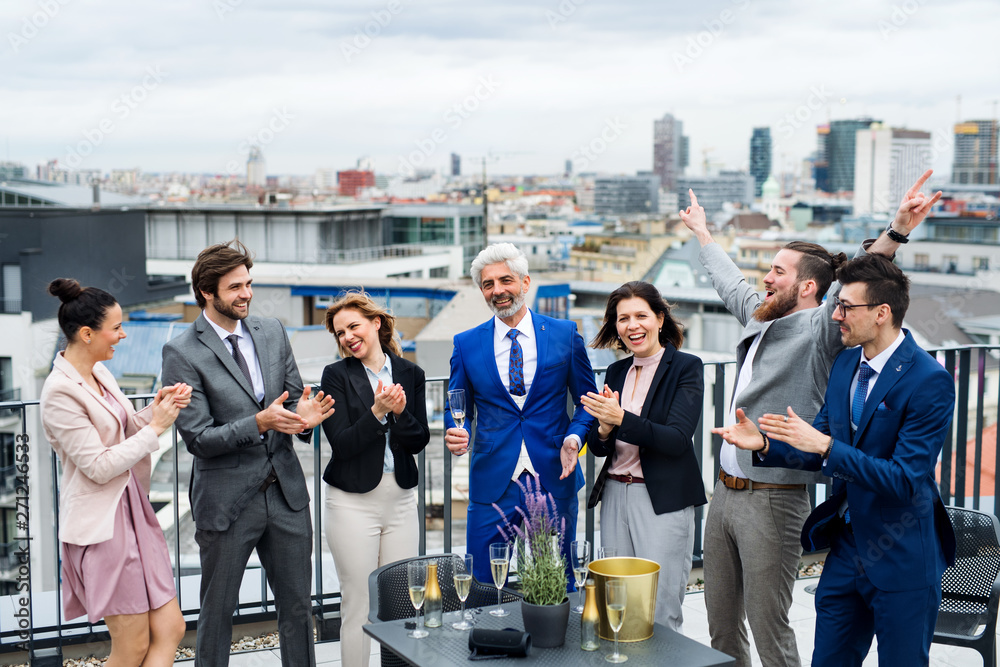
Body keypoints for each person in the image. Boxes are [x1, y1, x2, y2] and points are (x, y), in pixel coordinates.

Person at [679, 170, 941, 666]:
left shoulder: (820, 327)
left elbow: (866, 273)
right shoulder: (763, 316)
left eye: (778, 271)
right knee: (721, 621)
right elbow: (729, 281)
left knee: (767, 625)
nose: (766, 277)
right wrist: (703, 233)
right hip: (728, 492)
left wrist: (898, 229)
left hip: (773, 498)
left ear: (808, 287)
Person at [715, 253, 957, 667]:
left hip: (902, 557)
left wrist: (827, 447)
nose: (835, 315)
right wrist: (765, 447)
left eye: (846, 307)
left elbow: (903, 479)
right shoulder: (845, 364)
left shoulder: (929, 380)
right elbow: (815, 451)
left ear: (882, 313)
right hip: (846, 552)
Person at [161, 239, 335, 667]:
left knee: (298, 609)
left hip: (287, 495)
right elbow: (198, 438)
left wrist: (305, 415)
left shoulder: (271, 330)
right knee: (217, 614)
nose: (247, 294)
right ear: (207, 291)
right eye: (236, 286)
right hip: (226, 501)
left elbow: (291, 399)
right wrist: (260, 423)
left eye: (249, 283)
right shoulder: (181, 352)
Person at [40, 278, 191, 667]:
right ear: (88, 334)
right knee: (132, 647)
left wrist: (155, 411)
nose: (124, 335)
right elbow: (99, 465)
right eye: (117, 327)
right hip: (103, 526)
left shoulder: (99, 372)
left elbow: (120, 432)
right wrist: (157, 427)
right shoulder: (59, 392)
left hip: (132, 512)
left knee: (171, 627)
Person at [444, 242, 597, 585]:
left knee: (560, 581)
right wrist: (456, 430)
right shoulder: (466, 344)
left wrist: (575, 437)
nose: (497, 290)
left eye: (505, 280)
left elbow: (587, 400)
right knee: (484, 584)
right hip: (492, 482)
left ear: (525, 283)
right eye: (488, 284)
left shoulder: (564, 334)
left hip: (554, 473)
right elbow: (455, 403)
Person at [581, 281, 707, 632]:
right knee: (618, 604)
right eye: (623, 319)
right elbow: (601, 443)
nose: (632, 326)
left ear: (660, 319)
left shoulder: (686, 367)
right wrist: (605, 429)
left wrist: (621, 419)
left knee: (660, 608)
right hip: (615, 495)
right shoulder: (616, 371)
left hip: (661, 500)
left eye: (641, 316)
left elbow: (678, 439)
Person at [319, 292, 429, 667]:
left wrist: (399, 414)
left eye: (353, 326)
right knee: (359, 604)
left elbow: (418, 440)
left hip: (399, 500)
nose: (347, 337)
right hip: (351, 503)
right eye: (340, 332)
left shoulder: (410, 373)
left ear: (376, 324)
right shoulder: (335, 375)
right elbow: (343, 443)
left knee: (401, 602)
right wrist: (378, 412)